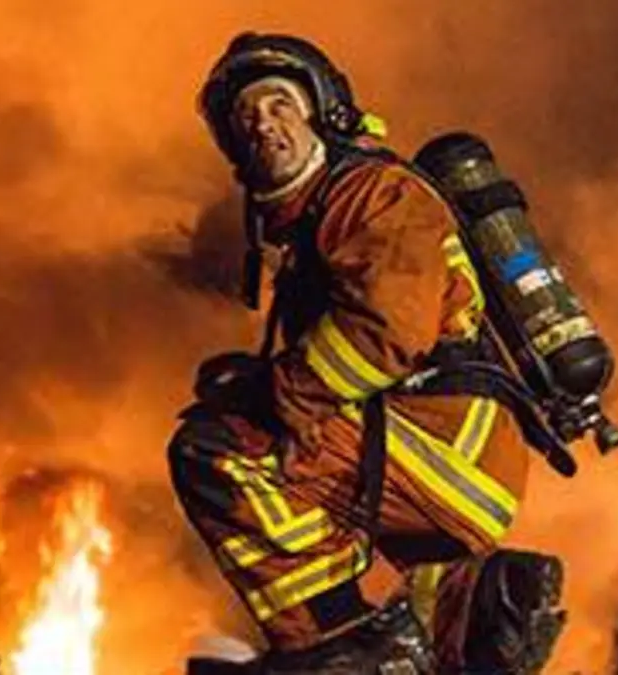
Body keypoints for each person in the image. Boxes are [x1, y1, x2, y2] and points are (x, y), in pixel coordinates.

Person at [168, 32, 566, 674]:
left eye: (278, 104)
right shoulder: (320, 219)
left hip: (449, 450)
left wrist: (280, 398)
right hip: (430, 447)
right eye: (244, 119)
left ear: (324, 109)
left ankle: (341, 645)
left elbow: (387, 331)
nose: (262, 125)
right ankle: (485, 609)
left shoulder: (373, 193)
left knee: (214, 448)